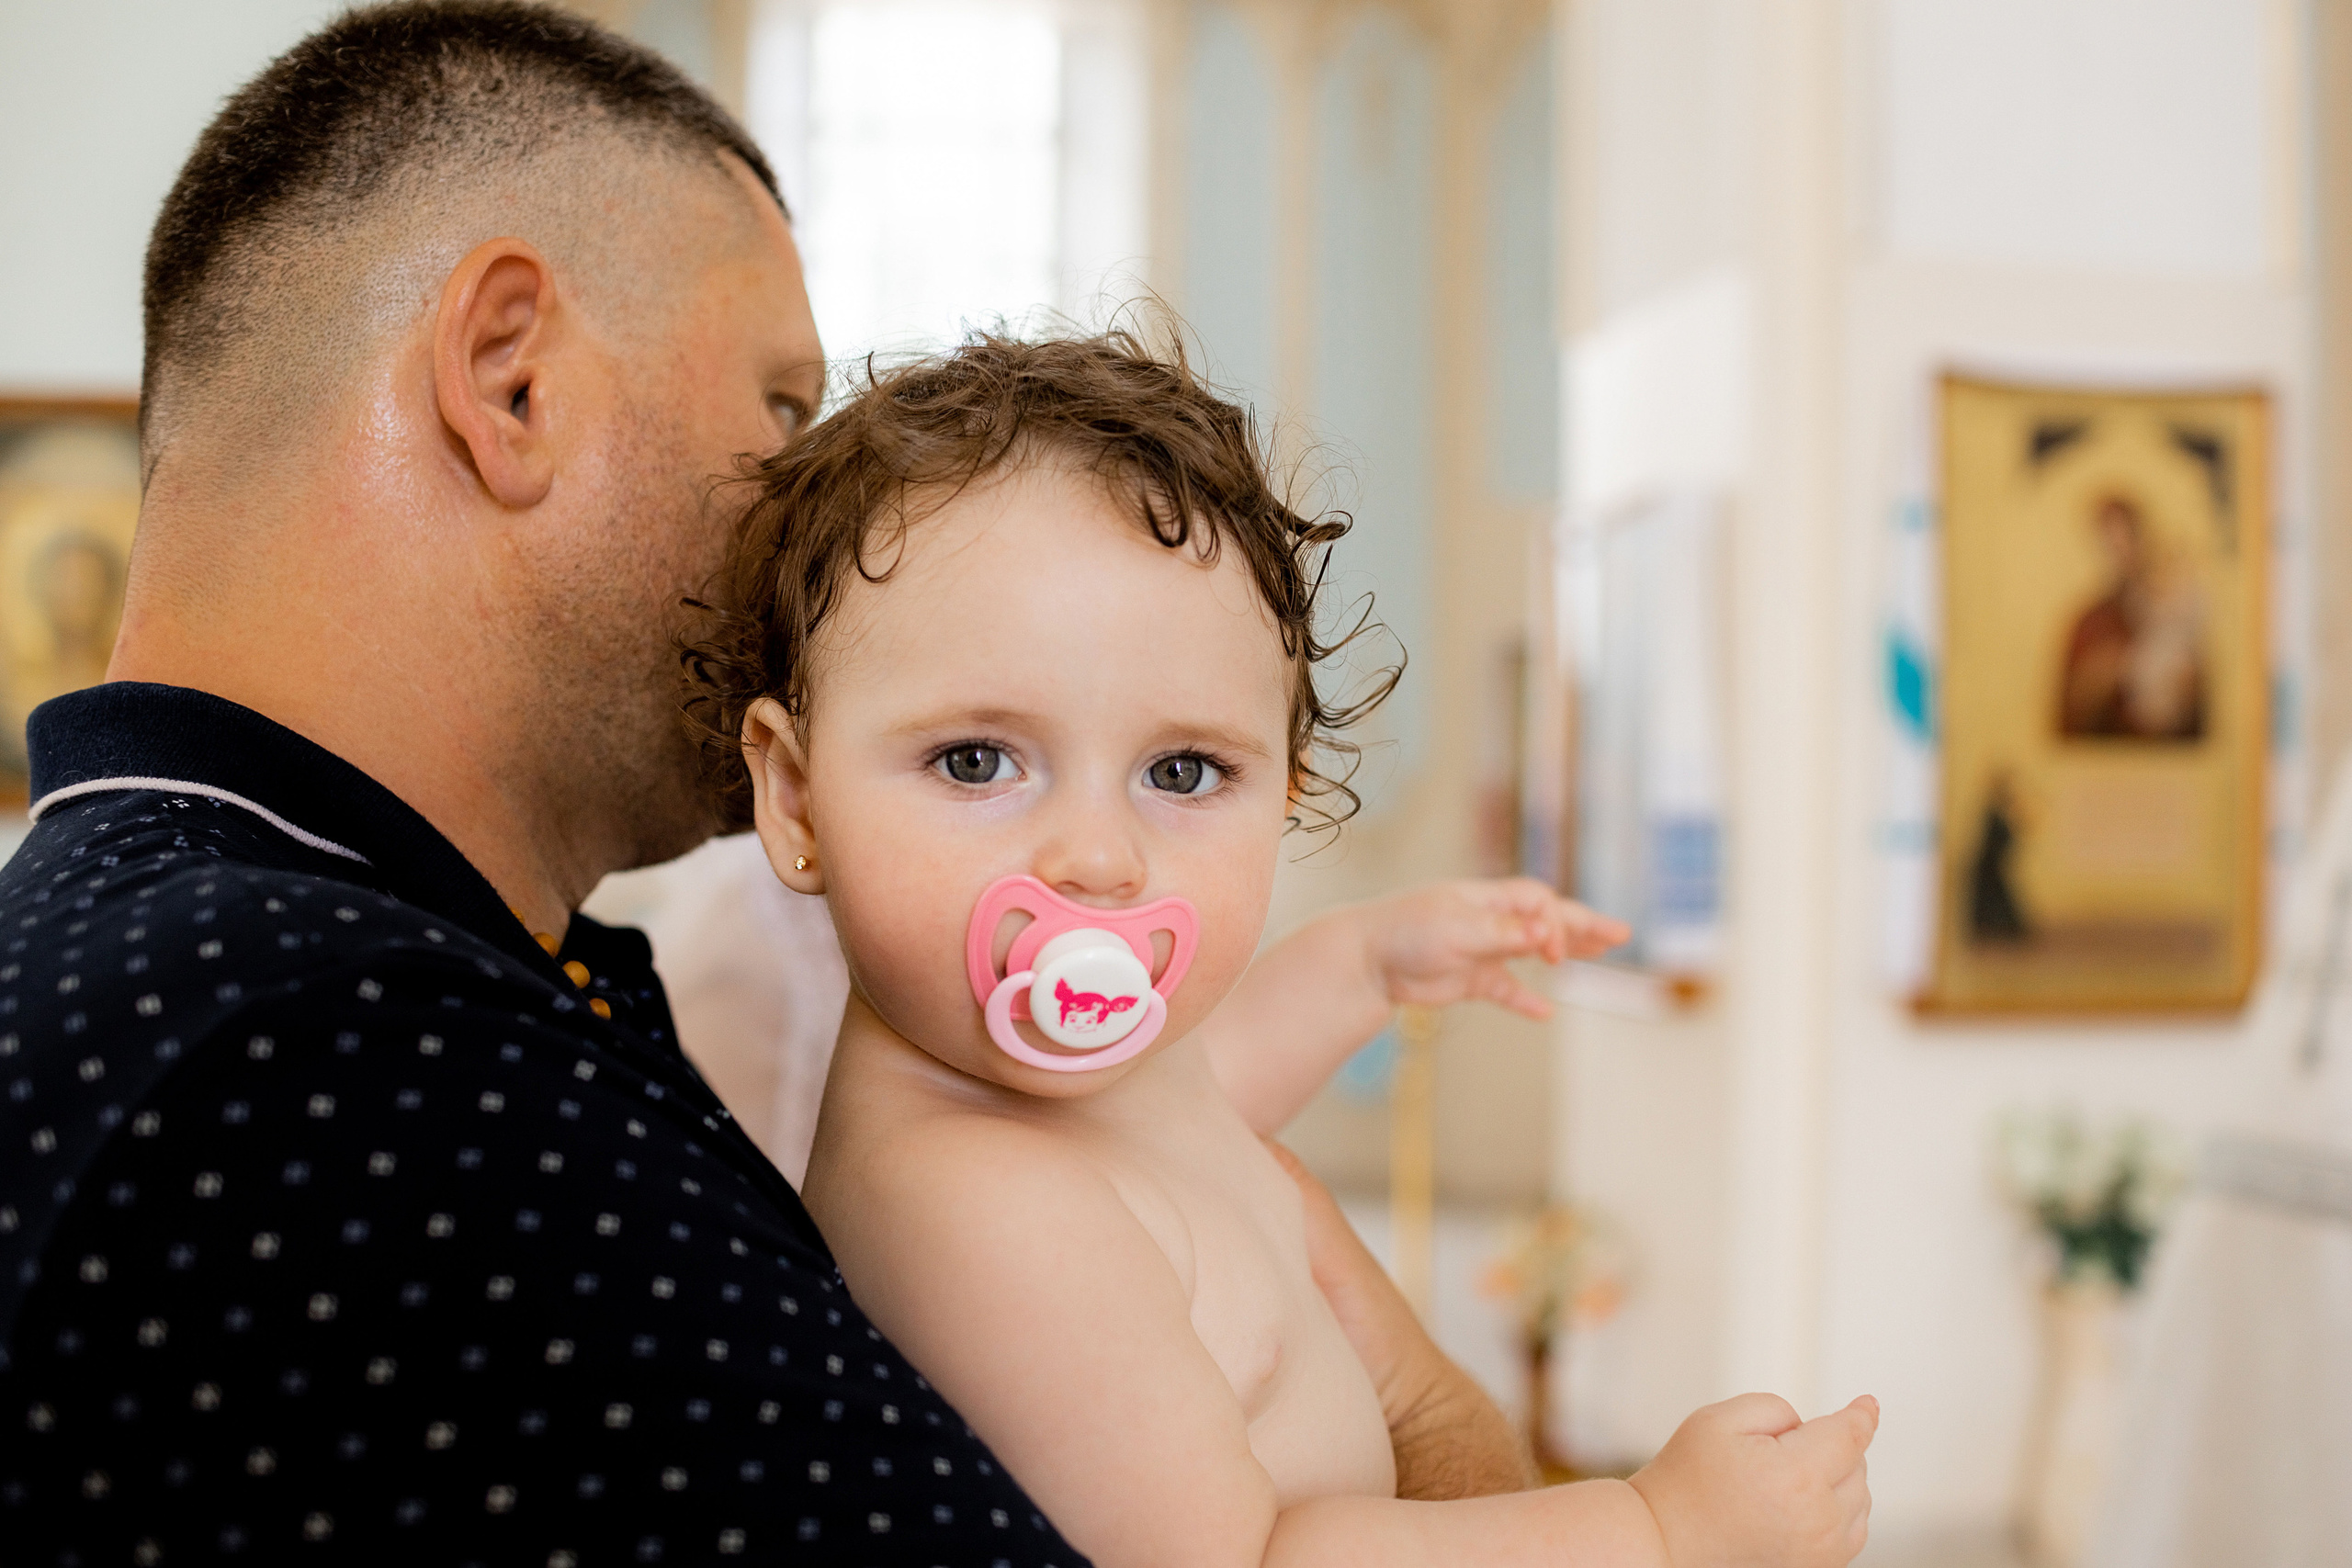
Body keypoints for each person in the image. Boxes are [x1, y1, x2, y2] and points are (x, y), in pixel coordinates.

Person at [0, 4, 1613, 1560]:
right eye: (782, 408)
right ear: (512, 381)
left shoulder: (308, 961)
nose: (816, 517)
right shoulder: (333, 1054)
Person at [697, 327, 1881, 1568]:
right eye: (977, 761)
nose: (1098, 858)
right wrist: (1654, 1529)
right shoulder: (969, 1202)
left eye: (1183, 770)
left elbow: (1211, 1088)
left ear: (1287, 789)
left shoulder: (1081, 1088)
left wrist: (1371, 965)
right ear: (792, 797)